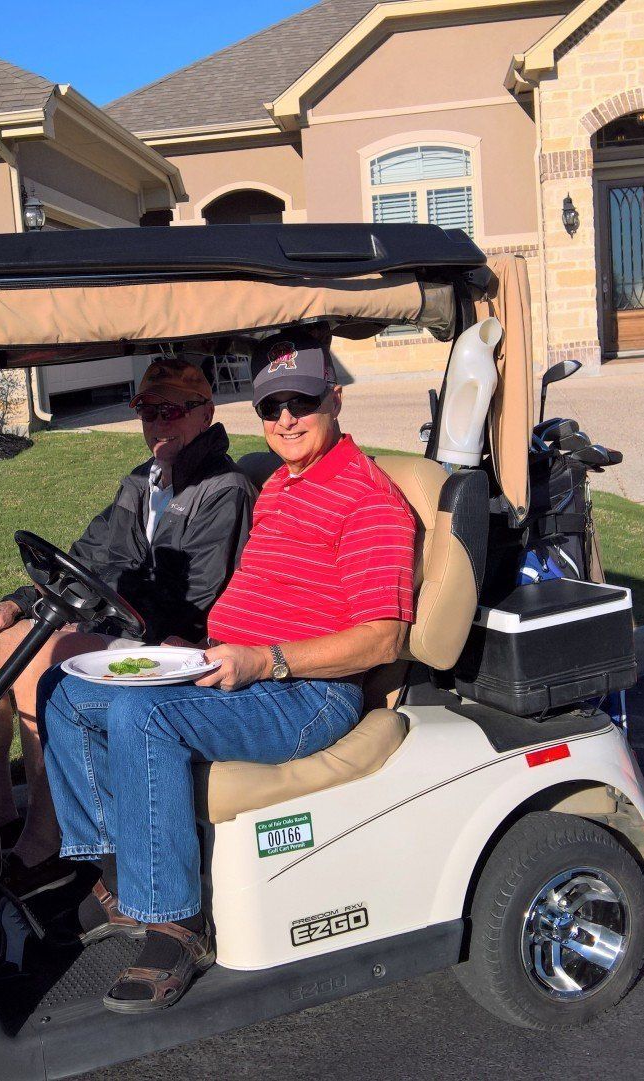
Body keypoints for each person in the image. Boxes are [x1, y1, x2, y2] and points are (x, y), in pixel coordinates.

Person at [38, 329, 417, 1013]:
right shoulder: (281, 485)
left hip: (307, 691)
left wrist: (266, 658)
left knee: (141, 711)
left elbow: (381, 638)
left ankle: (177, 921)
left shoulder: (368, 499)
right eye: (272, 408)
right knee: (66, 693)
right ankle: (124, 876)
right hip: (235, 667)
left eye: (302, 401)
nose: (286, 420)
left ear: (334, 398)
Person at [0, 357, 256, 888]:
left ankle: (48, 838)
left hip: (180, 644)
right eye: (149, 411)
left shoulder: (223, 490)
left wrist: (92, 619)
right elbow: (89, 556)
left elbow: (187, 603)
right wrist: (14, 605)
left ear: (206, 413)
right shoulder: (142, 481)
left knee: (48, 657)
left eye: (174, 410)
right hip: (127, 625)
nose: (159, 423)